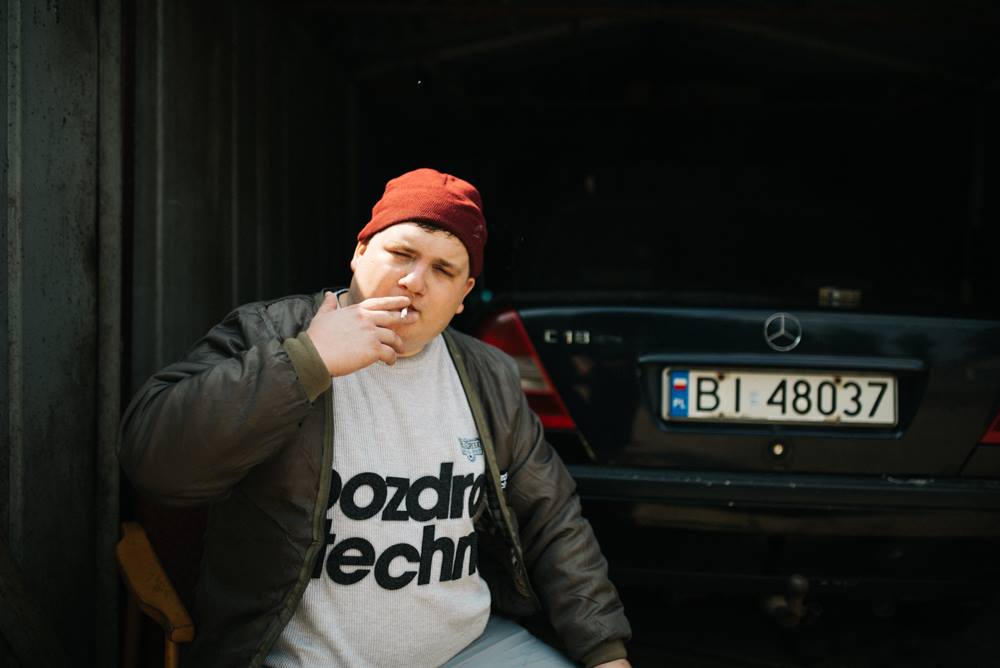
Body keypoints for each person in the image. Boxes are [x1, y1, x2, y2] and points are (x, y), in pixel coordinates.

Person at [118, 168, 632, 668]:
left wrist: (605, 652)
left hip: (467, 649)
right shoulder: (270, 332)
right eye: (401, 254)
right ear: (359, 252)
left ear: (463, 296)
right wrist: (307, 362)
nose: (414, 281)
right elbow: (154, 463)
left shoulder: (488, 374)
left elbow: (552, 518)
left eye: (443, 270)